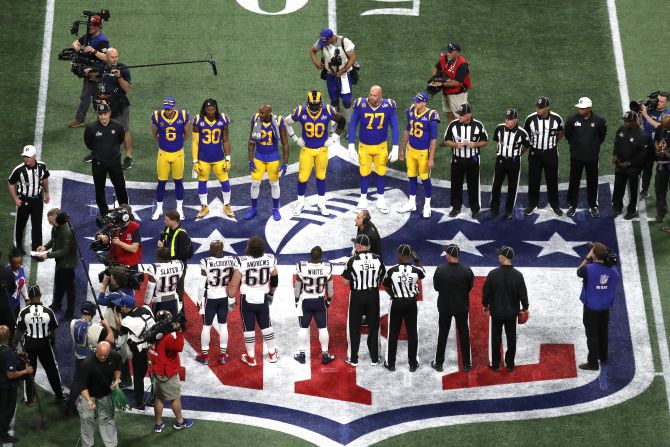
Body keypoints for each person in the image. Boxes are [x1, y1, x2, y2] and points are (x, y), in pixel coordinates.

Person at [284, 91, 346, 217]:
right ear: (308, 103)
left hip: (322, 150)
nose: (314, 107)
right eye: (312, 105)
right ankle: (300, 202)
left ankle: (321, 203)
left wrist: (334, 138)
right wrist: (295, 138)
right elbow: (286, 122)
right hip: (306, 150)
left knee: (321, 177)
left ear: (320, 103)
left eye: (316, 105)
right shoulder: (300, 111)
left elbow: (342, 121)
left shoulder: (327, 110)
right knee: (302, 178)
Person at [226, 236, 279, 367]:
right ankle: (272, 353)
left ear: (249, 248)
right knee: (266, 324)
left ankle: (251, 357)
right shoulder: (270, 259)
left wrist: (231, 299)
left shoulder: (242, 262)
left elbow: (233, 285)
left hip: (247, 299)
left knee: (248, 328)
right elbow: (275, 278)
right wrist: (271, 293)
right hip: (262, 297)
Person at [347, 85, 400, 213]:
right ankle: (363, 198)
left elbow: (395, 127)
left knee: (381, 172)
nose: (371, 97)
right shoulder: (361, 104)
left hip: (381, 146)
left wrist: (396, 147)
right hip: (364, 146)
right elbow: (353, 124)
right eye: (370, 94)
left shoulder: (389, 106)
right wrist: (350, 144)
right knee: (364, 173)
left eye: (374, 95)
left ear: (381, 95)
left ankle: (381, 199)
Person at [16, 285, 68, 404]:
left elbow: (19, 331)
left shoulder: (23, 312)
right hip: (44, 344)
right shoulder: (48, 311)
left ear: (29, 296)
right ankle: (59, 395)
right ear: (40, 295)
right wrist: (52, 342)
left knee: (29, 370)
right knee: (51, 369)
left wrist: (15, 346)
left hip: (29, 345)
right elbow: (53, 331)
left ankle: (29, 399)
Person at [482, 246, 529, 372]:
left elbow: (486, 293)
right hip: (511, 314)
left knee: (495, 339)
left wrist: (485, 305)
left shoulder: (492, 274)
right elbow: (523, 295)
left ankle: (496, 364)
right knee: (511, 339)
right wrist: (525, 308)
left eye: (499, 255)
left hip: (496, 313)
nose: (498, 256)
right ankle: (510, 364)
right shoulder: (518, 275)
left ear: (504, 257)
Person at [342, 234, 386, 367]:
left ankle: (353, 358)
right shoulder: (378, 259)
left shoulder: (352, 260)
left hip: (357, 296)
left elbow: (345, 281)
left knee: (354, 327)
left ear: (360, 246)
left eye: (356, 244)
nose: (355, 245)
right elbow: (383, 278)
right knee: (373, 327)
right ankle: (374, 358)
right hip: (373, 295)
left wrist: (351, 262)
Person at [577, 242, 621, 370]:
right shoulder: (613, 270)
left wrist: (587, 258)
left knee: (592, 336)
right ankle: (603, 356)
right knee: (603, 331)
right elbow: (610, 265)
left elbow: (579, 271)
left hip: (591, 307)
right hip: (605, 307)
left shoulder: (588, 269)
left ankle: (593, 363)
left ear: (593, 255)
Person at [431, 244, 474, 373]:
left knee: (443, 333)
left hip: (445, 306)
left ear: (449, 255)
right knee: (464, 334)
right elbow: (469, 287)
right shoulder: (467, 271)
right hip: (461, 306)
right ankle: (466, 364)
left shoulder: (440, 270)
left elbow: (436, 287)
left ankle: (438, 363)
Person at [149, 310, 193, 432]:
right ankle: (180, 421)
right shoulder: (167, 338)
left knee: (159, 397)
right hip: (167, 373)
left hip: (156, 371)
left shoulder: (153, 333)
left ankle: (158, 424)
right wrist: (179, 332)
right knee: (175, 398)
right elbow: (179, 347)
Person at [397, 92, 440, 218]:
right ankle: (412, 203)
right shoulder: (411, 110)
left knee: (425, 178)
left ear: (424, 103)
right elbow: (407, 129)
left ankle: (427, 205)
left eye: (418, 102)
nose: (415, 103)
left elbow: (433, 139)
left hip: (423, 152)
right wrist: (402, 147)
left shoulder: (432, 116)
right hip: (411, 150)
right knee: (411, 176)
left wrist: (431, 158)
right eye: (415, 101)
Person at [68, 301, 115, 416]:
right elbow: (111, 340)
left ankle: (70, 408)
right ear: (93, 313)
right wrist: (107, 326)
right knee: (93, 384)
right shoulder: (97, 329)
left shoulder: (73, 323)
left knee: (78, 382)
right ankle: (92, 409)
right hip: (91, 361)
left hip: (78, 358)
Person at [191, 98, 235, 220]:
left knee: (225, 182)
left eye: (213, 109)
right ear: (204, 110)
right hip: (203, 158)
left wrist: (228, 158)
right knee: (202, 182)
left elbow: (225, 140)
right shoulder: (198, 120)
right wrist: (195, 160)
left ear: (216, 109)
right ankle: (204, 206)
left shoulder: (223, 119)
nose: (211, 112)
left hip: (219, 158)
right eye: (208, 109)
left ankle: (226, 205)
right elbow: (195, 142)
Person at [442, 103, 489, 218]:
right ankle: (456, 207)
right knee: (456, 184)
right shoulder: (453, 124)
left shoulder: (478, 125)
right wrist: (455, 145)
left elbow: (485, 141)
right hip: (457, 160)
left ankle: (475, 209)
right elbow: (446, 140)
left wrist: (475, 144)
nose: (459, 117)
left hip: (473, 160)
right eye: (459, 115)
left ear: (469, 115)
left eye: (462, 115)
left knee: (473, 185)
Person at [383, 244, 424, 372]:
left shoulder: (391, 271)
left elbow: (386, 286)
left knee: (393, 333)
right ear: (410, 256)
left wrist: (393, 296)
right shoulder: (417, 270)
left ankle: (391, 364)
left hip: (397, 302)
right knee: (412, 333)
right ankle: (412, 364)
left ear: (399, 255)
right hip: (411, 303)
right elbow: (423, 273)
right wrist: (416, 260)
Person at [564, 97, 608, 218]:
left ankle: (593, 205)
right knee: (574, 181)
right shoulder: (572, 120)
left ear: (589, 108)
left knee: (592, 181)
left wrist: (592, 146)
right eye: (579, 108)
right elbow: (568, 135)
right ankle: (572, 204)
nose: (580, 110)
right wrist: (576, 146)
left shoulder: (599, 121)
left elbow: (601, 137)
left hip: (592, 157)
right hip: (576, 157)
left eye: (583, 108)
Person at [245, 104, 289, 221]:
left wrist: (286, 163)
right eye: (260, 112)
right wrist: (250, 160)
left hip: (272, 157)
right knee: (255, 183)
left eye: (263, 113)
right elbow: (251, 141)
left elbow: (285, 143)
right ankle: (253, 208)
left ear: (269, 113)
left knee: (274, 184)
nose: (260, 115)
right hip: (259, 156)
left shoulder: (278, 121)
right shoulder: (255, 119)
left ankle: (275, 209)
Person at [196, 240, 236, 365]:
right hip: (224, 296)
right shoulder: (231, 260)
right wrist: (231, 297)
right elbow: (234, 280)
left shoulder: (205, 262)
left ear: (212, 249)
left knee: (206, 326)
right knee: (223, 325)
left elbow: (201, 285)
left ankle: (205, 356)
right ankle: (223, 355)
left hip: (211, 297)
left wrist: (199, 299)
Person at [84, 102, 129, 215]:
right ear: (98, 115)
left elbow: (120, 140)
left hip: (115, 163)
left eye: (105, 114)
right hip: (98, 164)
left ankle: (124, 211)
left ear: (109, 113)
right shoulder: (91, 128)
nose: (103, 116)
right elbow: (88, 143)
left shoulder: (118, 127)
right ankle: (104, 213)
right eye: (100, 114)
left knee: (120, 187)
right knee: (99, 189)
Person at [293, 246, 335, 365]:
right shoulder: (326, 267)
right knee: (323, 328)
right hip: (319, 301)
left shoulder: (302, 267)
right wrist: (328, 301)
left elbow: (297, 288)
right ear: (321, 256)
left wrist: (296, 301)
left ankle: (301, 354)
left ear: (310, 255)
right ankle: (325, 355)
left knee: (303, 328)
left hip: (305, 301)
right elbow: (330, 290)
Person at [151, 97, 191, 220]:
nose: (167, 111)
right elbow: (154, 133)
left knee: (178, 180)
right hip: (163, 153)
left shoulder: (183, 115)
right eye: (165, 109)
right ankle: (159, 208)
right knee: (161, 182)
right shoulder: (157, 116)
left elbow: (187, 133)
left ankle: (179, 208)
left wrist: (179, 143)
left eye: (169, 109)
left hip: (178, 153)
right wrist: (162, 143)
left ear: (174, 107)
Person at [523, 96, 564, 216]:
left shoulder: (556, 118)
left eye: (541, 108)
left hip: (550, 153)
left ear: (548, 107)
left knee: (552, 179)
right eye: (537, 107)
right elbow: (526, 135)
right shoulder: (530, 119)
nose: (538, 110)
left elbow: (561, 132)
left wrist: (553, 143)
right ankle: (532, 203)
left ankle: (555, 204)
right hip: (535, 153)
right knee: (534, 179)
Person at [94, 48, 134, 169]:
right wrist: (91, 73)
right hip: (105, 104)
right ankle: (97, 153)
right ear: (107, 57)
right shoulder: (104, 67)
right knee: (102, 128)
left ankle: (128, 157)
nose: (115, 59)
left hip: (120, 104)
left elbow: (128, 89)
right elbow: (100, 81)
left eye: (116, 56)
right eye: (112, 57)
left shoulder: (123, 68)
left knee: (124, 130)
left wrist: (119, 77)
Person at [7, 144, 50, 255]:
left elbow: (45, 178)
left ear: (35, 156)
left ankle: (37, 250)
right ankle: (18, 246)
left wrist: (47, 193)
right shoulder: (19, 169)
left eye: (29, 156)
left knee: (37, 225)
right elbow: (10, 183)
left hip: (37, 200)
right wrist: (15, 198)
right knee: (21, 225)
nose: (26, 158)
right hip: (24, 200)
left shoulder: (42, 166)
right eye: (25, 156)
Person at [68, 14, 109, 128]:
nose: (90, 27)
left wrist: (93, 51)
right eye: (89, 25)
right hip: (89, 69)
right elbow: (75, 42)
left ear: (98, 27)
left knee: (87, 96)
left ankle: (80, 119)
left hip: (97, 71)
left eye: (92, 26)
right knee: (98, 96)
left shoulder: (102, 41)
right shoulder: (88, 36)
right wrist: (78, 49)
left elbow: (106, 57)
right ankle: (104, 116)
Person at [36, 209, 78, 320]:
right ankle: (56, 304)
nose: (49, 223)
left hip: (67, 264)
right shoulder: (57, 226)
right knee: (58, 284)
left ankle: (69, 312)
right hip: (60, 262)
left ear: (56, 219)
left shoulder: (67, 231)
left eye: (51, 221)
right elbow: (54, 240)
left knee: (70, 290)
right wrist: (45, 247)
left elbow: (65, 251)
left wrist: (47, 255)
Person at [77, 341, 121, 447]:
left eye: (105, 355)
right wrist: (88, 400)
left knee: (108, 419)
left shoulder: (115, 356)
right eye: (100, 354)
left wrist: (117, 380)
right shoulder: (87, 363)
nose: (102, 357)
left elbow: (118, 368)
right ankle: (87, 445)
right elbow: (82, 385)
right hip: (88, 394)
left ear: (110, 351)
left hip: (105, 393)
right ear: (96, 350)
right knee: (87, 420)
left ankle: (111, 444)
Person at [116, 292, 155, 410]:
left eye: (121, 306)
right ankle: (154, 399)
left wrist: (117, 317)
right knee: (155, 375)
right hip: (154, 347)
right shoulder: (146, 307)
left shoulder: (126, 320)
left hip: (140, 352)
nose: (120, 308)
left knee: (138, 377)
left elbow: (121, 332)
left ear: (126, 308)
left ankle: (139, 403)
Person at [490, 108, 531, 219]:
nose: (507, 121)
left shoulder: (522, 133)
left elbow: (527, 146)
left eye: (510, 119)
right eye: (506, 118)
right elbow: (496, 141)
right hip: (500, 161)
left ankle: (508, 211)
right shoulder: (499, 128)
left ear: (516, 120)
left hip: (514, 163)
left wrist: (518, 154)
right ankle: (494, 209)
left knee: (512, 188)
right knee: (496, 186)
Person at [309, 28, 357, 125]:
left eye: (325, 41)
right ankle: (336, 122)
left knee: (347, 101)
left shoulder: (345, 42)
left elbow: (352, 58)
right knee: (334, 100)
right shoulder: (322, 41)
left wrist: (342, 70)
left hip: (344, 76)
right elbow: (313, 51)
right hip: (330, 76)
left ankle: (350, 124)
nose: (323, 44)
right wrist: (316, 63)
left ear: (331, 38)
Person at [0, 324, 34, 444]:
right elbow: (10, 374)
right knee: (7, 409)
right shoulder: (8, 353)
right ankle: (2, 433)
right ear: (9, 335)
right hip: (6, 387)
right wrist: (26, 371)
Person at [611, 111, 648, 219]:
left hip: (633, 168)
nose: (625, 123)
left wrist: (630, 163)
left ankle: (632, 210)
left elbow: (643, 155)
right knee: (618, 187)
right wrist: (615, 156)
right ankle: (616, 207)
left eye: (628, 121)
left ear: (634, 121)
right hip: (619, 165)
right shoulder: (621, 130)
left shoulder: (642, 135)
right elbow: (616, 144)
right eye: (625, 120)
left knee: (633, 190)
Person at [429, 42, 471, 123]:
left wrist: (441, 83)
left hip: (458, 95)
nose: (448, 54)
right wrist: (434, 78)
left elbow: (456, 83)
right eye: (448, 51)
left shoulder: (462, 64)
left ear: (457, 53)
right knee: (449, 114)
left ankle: (463, 133)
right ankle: (451, 132)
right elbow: (436, 67)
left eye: (451, 52)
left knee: (461, 116)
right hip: (446, 92)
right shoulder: (444, 58)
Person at [157, 210, 193, 301]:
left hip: (179, 266)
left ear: (174, 221)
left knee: (178, 290)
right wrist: (162, 246)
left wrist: (167, 252)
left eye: (167, 220)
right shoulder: (167, 229)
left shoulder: (182, 234)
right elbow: (166, 244)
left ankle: (181, 312)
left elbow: (184, 254)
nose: (165, 221)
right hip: (168, 263)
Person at [639, 92, 669, 196]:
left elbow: (659, 126)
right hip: (648, 145)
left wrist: (646, 115)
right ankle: (644, 190)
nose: (658, 103)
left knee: (662, 171)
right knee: (647, 169)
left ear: (667, 102)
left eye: (661, 101)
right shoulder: (650, 109)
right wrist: (639, 112)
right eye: (658, 100)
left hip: (662, 148)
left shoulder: (667, 114)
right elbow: (640, 123)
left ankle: (661, 192)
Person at [95, 205, 142, 270]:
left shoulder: (135, 227)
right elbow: (97, 235)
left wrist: (120, 243)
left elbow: (134, 249)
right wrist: (102, 237)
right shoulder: (115, 224)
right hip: (114, 261)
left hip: (130, 264)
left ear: (125, 216)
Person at [145, 247, 184, 318]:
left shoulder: (154, 268)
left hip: (159, 301)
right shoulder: (179, 264)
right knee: (173, 325)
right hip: (174, 300)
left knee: (158, 327)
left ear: (158, 257)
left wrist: (146, 304)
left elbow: (150, 289)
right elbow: (181, 285)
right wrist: (180, 301)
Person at [653, 115, 670, 224]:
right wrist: (658, 148)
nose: (664, 128)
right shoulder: (660, 128)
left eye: (666, 127)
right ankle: (661, 211)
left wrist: (666, 151)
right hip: (662, 164)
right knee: (659, 188)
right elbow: (656, 140)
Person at [7, 249, 28, 317]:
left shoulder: (21, 269)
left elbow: (22, 283)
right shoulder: (6, 273)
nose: (18, 265)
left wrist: (26, 298)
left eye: (20, 262)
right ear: (10, 262)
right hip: (7, 307)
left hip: (16, 303)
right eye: (16, 263)